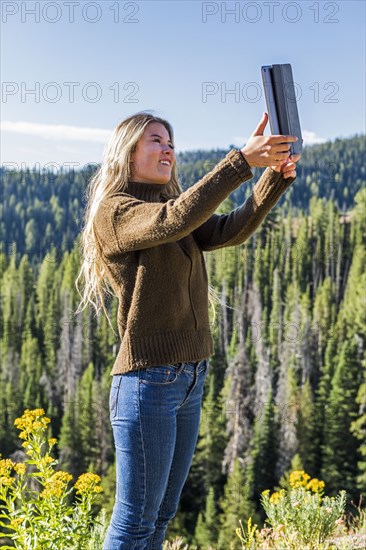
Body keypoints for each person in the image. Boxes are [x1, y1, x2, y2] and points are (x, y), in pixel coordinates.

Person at [75, 110, 301, 549]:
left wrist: (273, 176)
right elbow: (172, 221)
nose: (168, 150)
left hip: (188, 377)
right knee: (135, 520)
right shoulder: (116, 212)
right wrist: (240, 162)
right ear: (128, 152)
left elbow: (230, 230)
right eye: (156, 141)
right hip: (148, 381)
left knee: (160, 515)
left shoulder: (169, 208)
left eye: (171, 144)